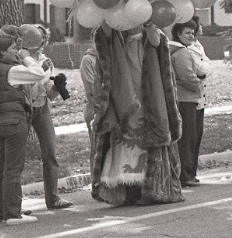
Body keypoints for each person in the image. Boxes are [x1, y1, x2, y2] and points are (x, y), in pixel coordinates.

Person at [90, 22, 184, 206]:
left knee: (146, 147)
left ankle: (149, 190)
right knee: (124, 148)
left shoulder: (152, 35)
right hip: (124, 103)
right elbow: (103, 36)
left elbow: (158, 43)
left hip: (150, 102)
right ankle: (127, 192)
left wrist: (149, 24)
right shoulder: (116, 37)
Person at [19, 24, 74, 211]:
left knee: (50, 154)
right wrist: (40, 70)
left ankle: (53, 198)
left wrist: (57, 86)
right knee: (16, 157)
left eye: (43, 37)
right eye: (38, 37)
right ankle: (13, 203)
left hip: (42, 108)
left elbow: (49, 95)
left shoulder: (45, 60)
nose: (41, 41)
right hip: (24, 109)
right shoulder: (20, 58)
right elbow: (24, 81)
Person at [1, 33, 51, 225]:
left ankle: (3, 210)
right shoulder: (11, 70)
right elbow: (38, 74)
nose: (16, 52)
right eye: (13, 49)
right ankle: (13, 213)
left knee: (2, 167)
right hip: (13, 121)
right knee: (13, 168)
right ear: (3, 51)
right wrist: (26, 56)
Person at [169, 20, 207, 187]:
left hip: (180, 97)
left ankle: (186, 173)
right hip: (186, 99)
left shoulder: (174, 51)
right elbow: (187, 76)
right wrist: (198, 85)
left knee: (186, 137)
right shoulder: (183, 53)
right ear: (178, 35)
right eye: (187, 33)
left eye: (192, 33)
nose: (191, 36)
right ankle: (187, 174)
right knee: (188, 138)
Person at [79, 37, 100, 172]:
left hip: (110, 109)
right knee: (97, 150)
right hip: (95, 110)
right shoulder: (88, 60)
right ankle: (97, 187)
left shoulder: (108, 58)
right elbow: (92, 90)